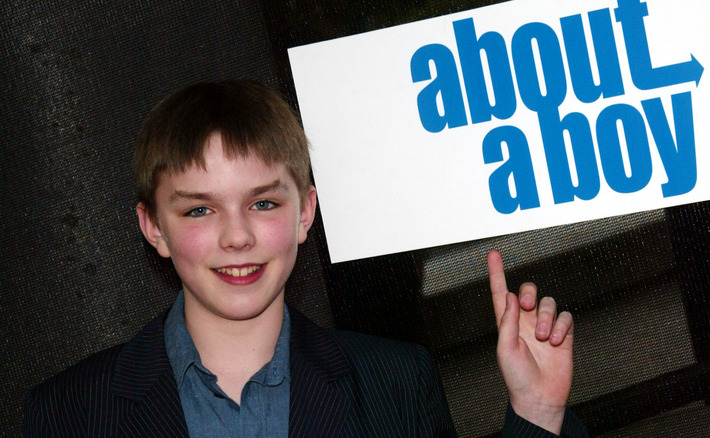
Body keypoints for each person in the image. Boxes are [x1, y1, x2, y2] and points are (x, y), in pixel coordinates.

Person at [23, 80, 587, 437]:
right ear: (153, 227)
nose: (237, 236)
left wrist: (537, 413)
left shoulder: (394, 382)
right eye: (199, 211)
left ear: (305, 213)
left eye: (262, 202)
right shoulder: (69, 412)